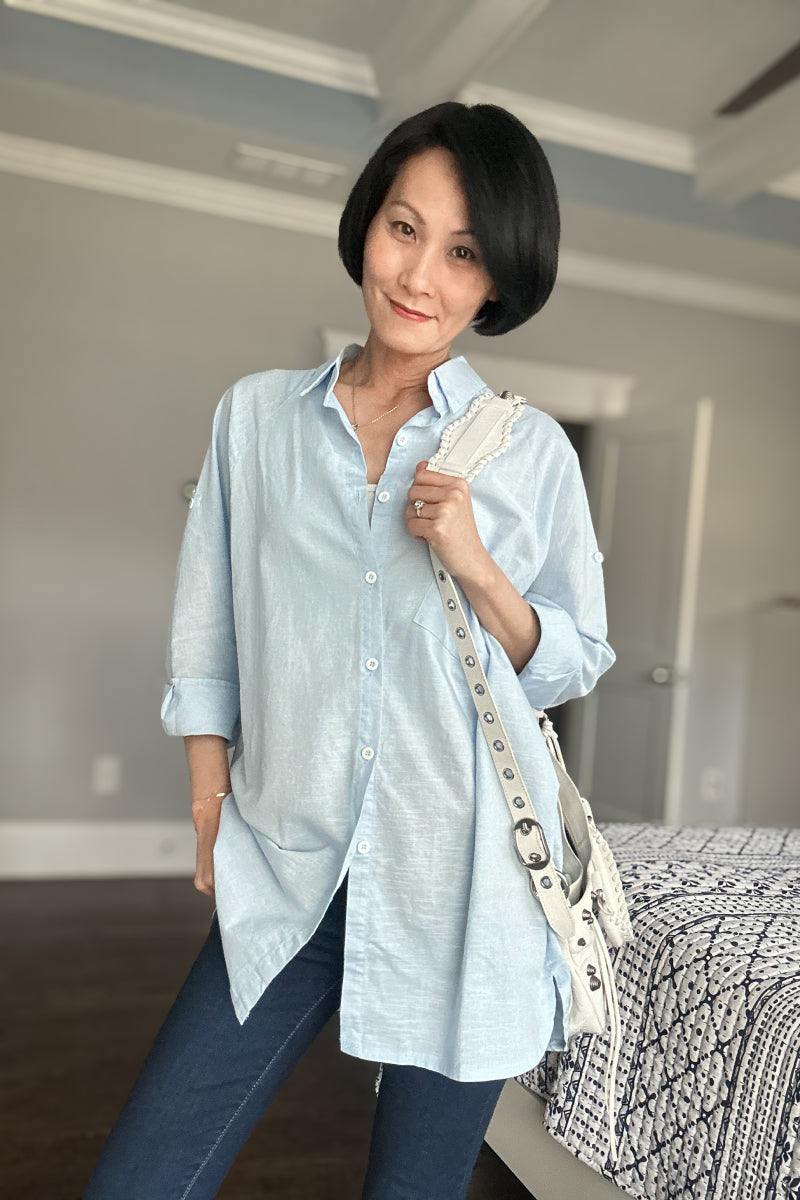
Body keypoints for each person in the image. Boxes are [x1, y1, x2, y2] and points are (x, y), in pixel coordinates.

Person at [83, 100, 616, 1199]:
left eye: (462, 252)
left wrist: (473, 564)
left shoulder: (531, 459)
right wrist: (207, 806)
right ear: (365, 228)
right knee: (139, 1179)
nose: (419, 275)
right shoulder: (257, 421)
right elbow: (208, 622)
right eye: (403, 228)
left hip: (462, 888)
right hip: (285, 864)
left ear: (496, 282)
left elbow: (570, 663)